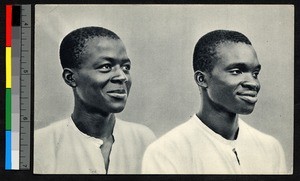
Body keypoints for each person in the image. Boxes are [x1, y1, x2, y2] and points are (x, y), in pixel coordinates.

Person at [142, 30, 287, 174]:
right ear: (202, 79)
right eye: (236, 71)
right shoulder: (166, 153)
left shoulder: (271, 148)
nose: (253, 83)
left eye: (255, 74)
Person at [34, 26, 156, 174]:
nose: (122, 76)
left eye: (125, 67)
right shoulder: (39, 145)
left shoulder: (143, 139)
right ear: (70, 78)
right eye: (106, 66)